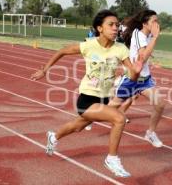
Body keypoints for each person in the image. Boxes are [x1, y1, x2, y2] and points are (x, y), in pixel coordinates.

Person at [30, 10, 143, 178]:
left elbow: (133, 75)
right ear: (100, 28)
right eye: (110, 25)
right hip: (87, 99)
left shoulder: (121, 49)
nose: (115, 28)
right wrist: (45, 70)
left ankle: (54, 136)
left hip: (103, 99)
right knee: (119, 118)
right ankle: (111, 159)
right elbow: (62, 51)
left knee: (78, 126)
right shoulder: (89, 45)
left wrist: (136, 71)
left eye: (117, 25)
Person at [110, 9, 166, 148]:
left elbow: (145, 56)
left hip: (144, 79)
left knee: (160, 104)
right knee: (112, 107)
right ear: (145, 23)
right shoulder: (139, 34)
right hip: (132, 78)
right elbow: (143, 56)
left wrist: (153, 61)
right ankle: (89, 117)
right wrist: (155, 37)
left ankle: (150, 133)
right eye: (154, 21)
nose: (156, 24)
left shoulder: (147, 36)